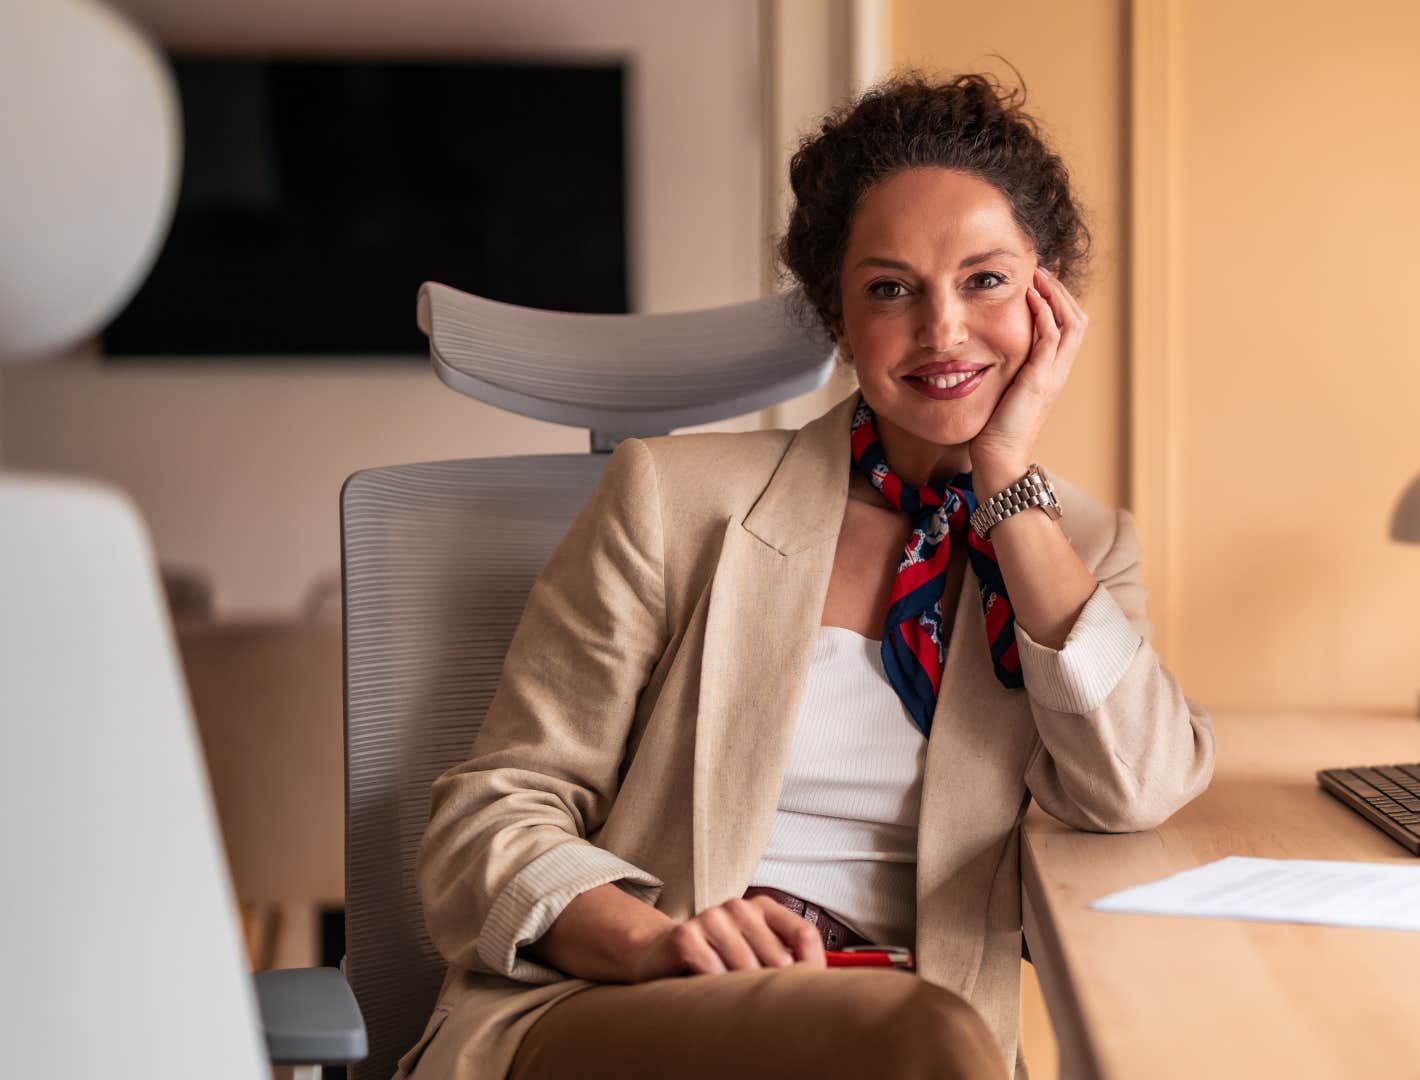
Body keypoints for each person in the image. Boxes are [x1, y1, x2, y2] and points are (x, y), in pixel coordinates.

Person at [395, 68, 1216, 1080]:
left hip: (908, 1026)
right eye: (890, 289)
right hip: (631, 1008)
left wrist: (1005, 479)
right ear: (838, 318)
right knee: (914, 1041)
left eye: (985, 280)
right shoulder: (674, 498)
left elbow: (1135, 787)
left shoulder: (1076, 549)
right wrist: (654, 941)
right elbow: (492, 815)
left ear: (1051, 300)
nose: (943, 329)